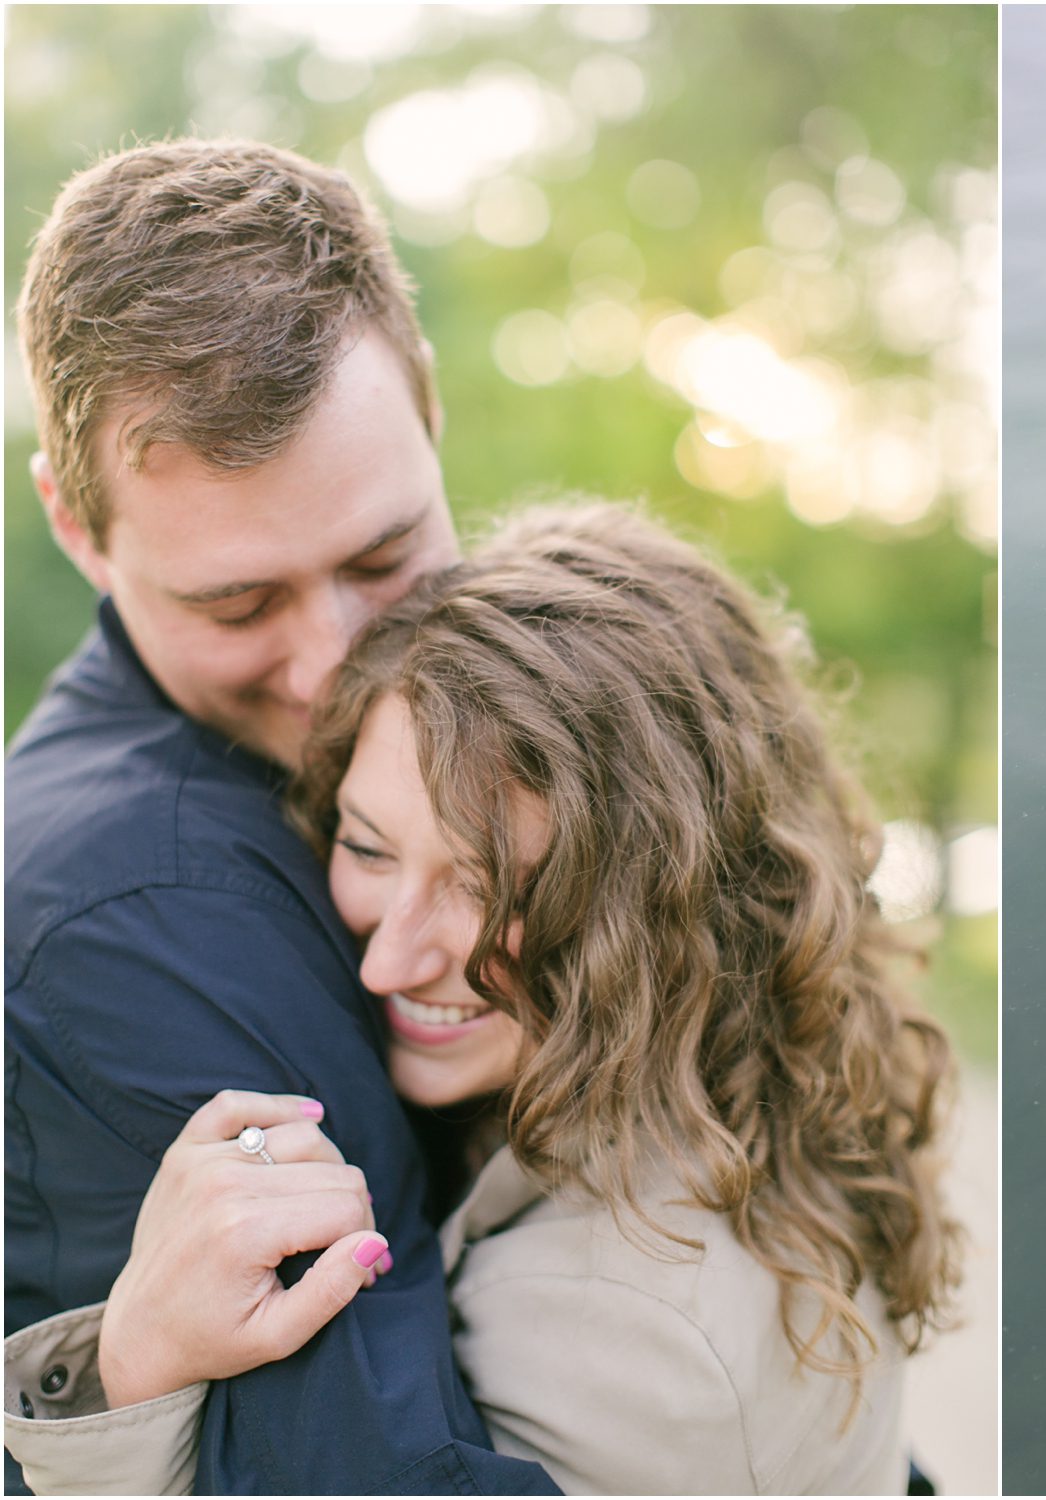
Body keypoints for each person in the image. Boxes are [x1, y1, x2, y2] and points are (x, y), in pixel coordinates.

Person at [5, 504, 960, 1494]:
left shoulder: (624, 1318)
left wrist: (138, 1375)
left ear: (666, 903)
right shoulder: (735, 1091)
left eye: (490, 887)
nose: (388, 964)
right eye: (369, 846)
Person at [3, 139, 555, 1492]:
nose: (330, 671)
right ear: (77, 529)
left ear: (432, 425)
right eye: (236, 605)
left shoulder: (516, 719)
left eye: (383, 557)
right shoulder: (151, 913)